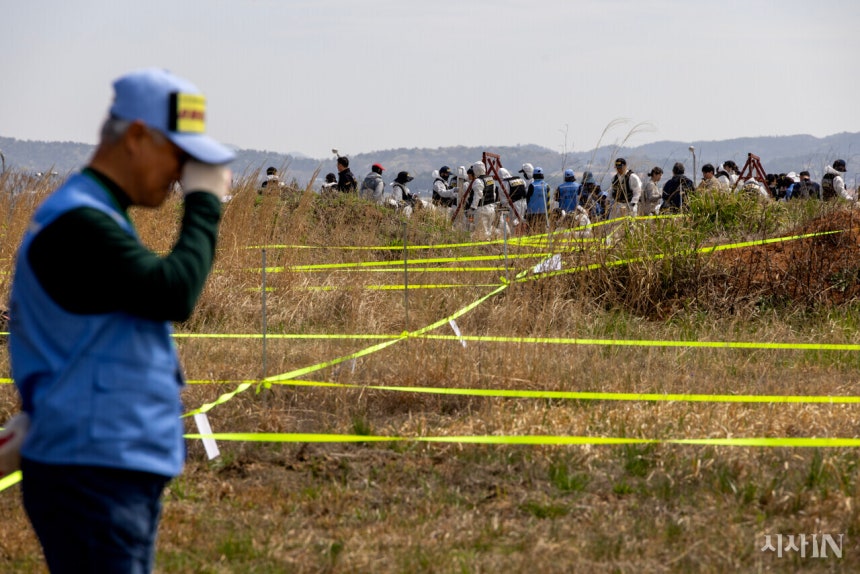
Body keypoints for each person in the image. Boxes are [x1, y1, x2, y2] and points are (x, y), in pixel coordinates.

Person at [8, 68, 234, 573]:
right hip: (92, 470)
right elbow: (173, 292)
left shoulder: (95, 216)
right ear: (136, 136)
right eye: (178, 154)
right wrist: (204, 203)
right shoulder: (79, 223)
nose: (181, 172)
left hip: (101, 461)